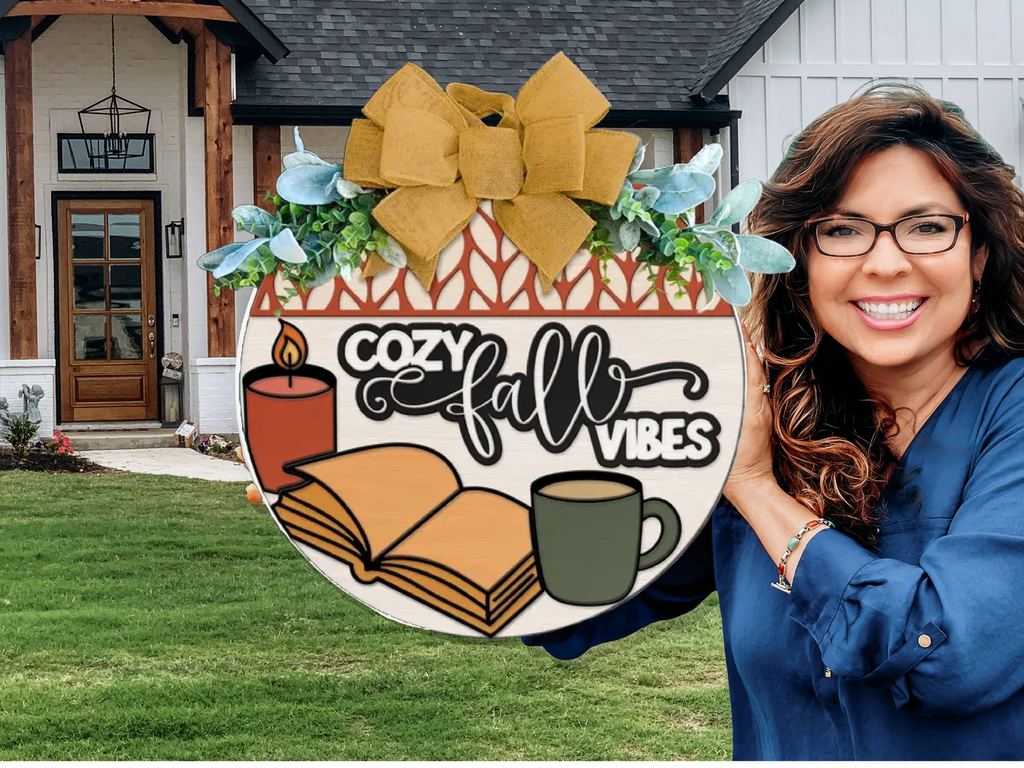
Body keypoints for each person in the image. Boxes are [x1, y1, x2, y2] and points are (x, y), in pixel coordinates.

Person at [523, 82, 1024, 761]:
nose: (885, 262)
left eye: (927, 227)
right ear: (800, 262)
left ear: (981, 252)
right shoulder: (766, 413)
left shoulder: (1008, 414)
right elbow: (574, 602)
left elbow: (951, 655)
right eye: (842, 230)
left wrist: (757, 488)